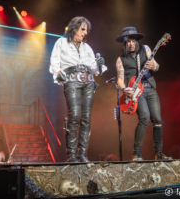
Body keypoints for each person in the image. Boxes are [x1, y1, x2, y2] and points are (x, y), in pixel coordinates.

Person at [49, 17, 107, 162]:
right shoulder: (61, 42)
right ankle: (72, 155)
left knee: (86, 118)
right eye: (82, 29)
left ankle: (82, 154)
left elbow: (94, 69)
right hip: (72, 80)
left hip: (88, 82)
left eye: (86, 31)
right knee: (74, 115)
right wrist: (58, 73)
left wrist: (99, 64)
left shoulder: (87, 48)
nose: (84, 33)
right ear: (74, 28)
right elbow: (54, 61)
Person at [115, 27, 172, 161]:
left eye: (133, 40)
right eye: (128, 41)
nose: (130, 44)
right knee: (144, 118)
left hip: (150, 88)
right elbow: (119, 80)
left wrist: (154, 66)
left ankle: (158, 154)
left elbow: (156, 66)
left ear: (136, 41)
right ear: (124, 43)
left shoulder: (145, 49)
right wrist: (124, 90)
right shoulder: (121, 59)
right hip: (136, 92)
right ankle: (136, 154)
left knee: (157, 120)